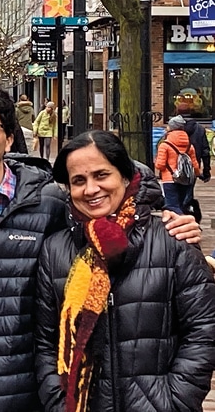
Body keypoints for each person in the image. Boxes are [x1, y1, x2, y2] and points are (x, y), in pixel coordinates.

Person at [0, 78, 201, 411]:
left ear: (9, 137)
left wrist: (165, 218)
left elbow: (110, 194)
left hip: (29, 397)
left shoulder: (51, 201)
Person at [35, 130, 215, 411]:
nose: (91, 189)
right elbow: (46, 342)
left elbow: (203, 331)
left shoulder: (173, 240)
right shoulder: (55, 250)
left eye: (101, 175)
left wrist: (174, 401)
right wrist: (60, 402)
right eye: (78, 181)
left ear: (125, 176)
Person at [154, 114, 199, 215]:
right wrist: (197, 173)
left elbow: (160, 165)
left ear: (171, 127)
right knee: (180, 205)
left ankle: (184, 223)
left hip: (169, 179)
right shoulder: (189, 146)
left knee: (172, 206)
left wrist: (157, 161)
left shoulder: (165, 145)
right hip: (185, 180)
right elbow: (194, 164)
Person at [180, 110, 211, 221]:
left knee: (177, 195)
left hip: (174, 168)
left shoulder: (174, 128)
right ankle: (189, 217)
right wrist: (206, 171)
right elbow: (205, 151)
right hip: (193, 166)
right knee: (188, 193)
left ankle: (184, 217)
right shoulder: (200, 129)